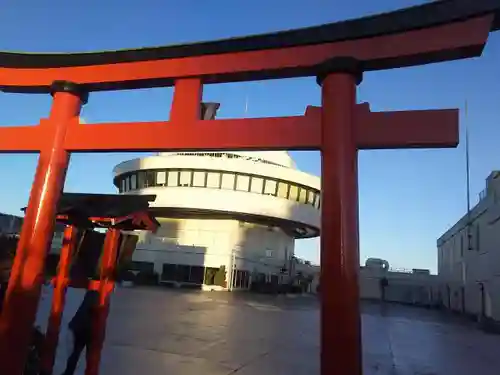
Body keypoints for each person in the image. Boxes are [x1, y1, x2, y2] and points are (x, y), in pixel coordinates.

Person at [61, 288, 99, 375]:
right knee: (85, 355)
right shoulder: (94, 297)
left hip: (79, 328)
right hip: (85, 330)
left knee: (75, 353)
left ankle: (68, 372)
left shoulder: (89, 296)